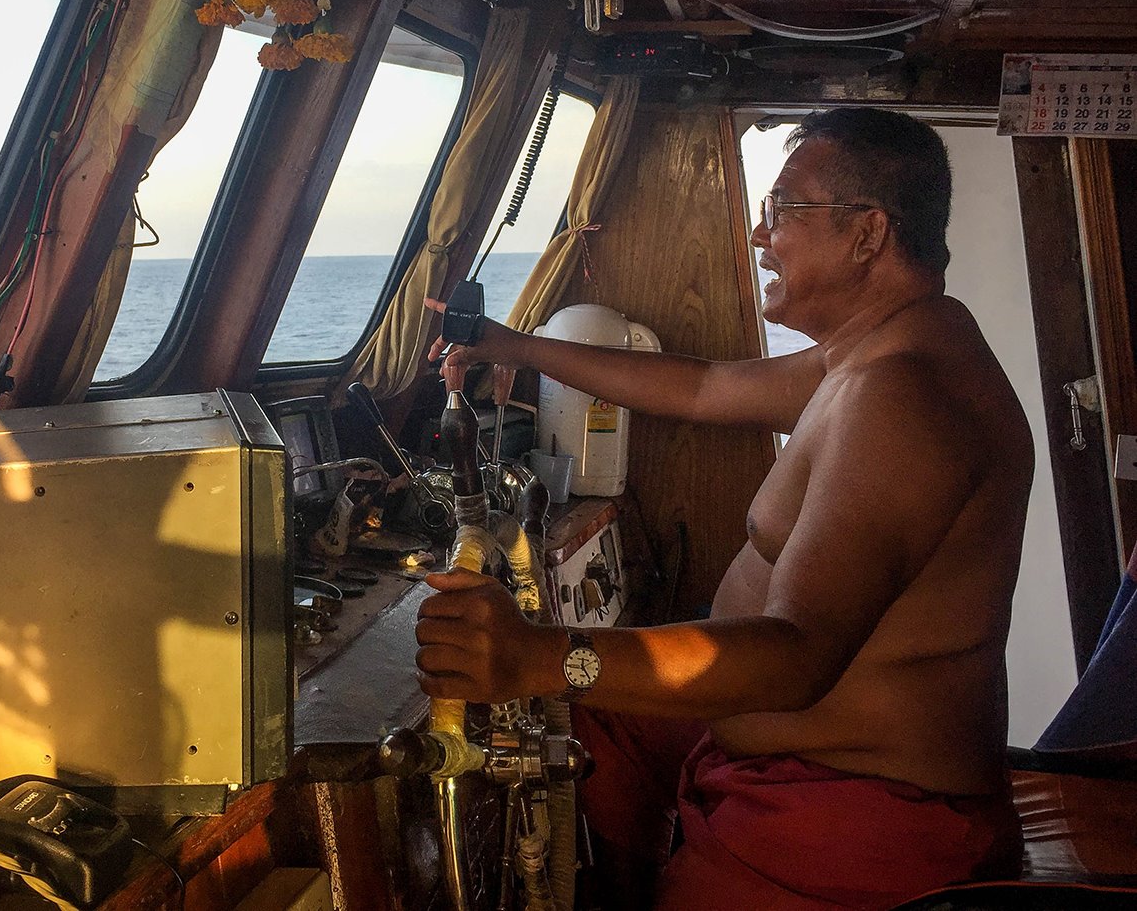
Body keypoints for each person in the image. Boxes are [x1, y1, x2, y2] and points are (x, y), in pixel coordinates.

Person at [419, 108, 1034, 910]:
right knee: (604, 728)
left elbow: (796, 656)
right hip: (793, 764)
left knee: (574, 698)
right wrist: (517, 346)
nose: (757, 232)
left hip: (854, 818)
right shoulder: (875, 352)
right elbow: (702, 385)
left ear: (867, 233)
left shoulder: (903, 397)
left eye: (782, 210)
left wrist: (541, 656)